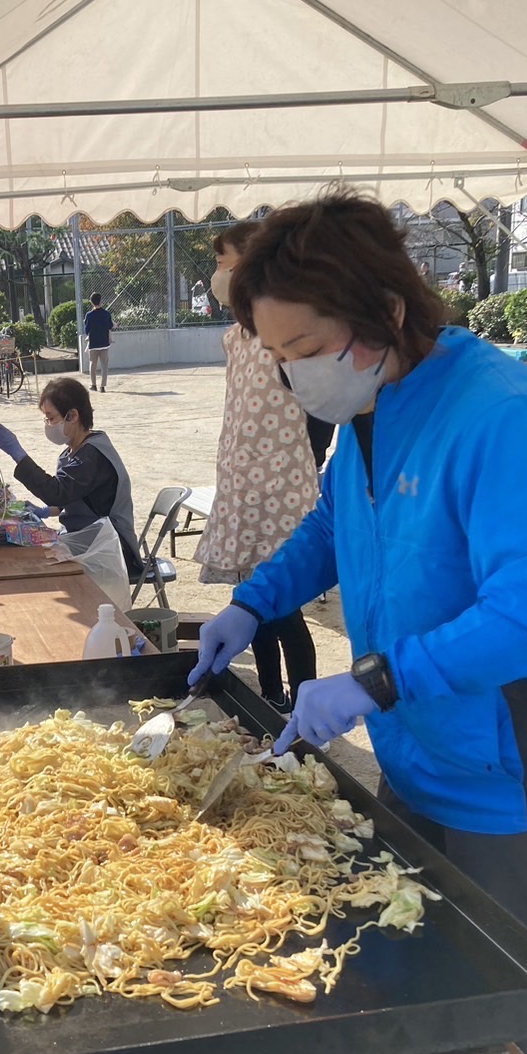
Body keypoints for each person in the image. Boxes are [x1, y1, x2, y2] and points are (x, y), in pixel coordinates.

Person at [191, 189, 527, 1054]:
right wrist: (253, 602)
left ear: (381, 311)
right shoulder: (372, 407)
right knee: (423, 983)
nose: (297, 379)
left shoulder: (505, 417)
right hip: (417, 764)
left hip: (513, 786)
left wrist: (376, 679)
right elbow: (338, 524)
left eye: (303, 352)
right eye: (281, 358)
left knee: (526, 1022)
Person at [197, 220, 319, 712]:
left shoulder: (292, 333)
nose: (218, 272)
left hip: (281, 490)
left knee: (283, 607)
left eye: (224, 261)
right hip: (242, 487)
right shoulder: (234, 338)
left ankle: (302, 697)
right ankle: (268, 697)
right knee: (253, 603)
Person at [0, 376, 142, 579]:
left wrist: (19, 454)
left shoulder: (92, 455)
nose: (48, 425)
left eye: (51, 418)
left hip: (110, 548)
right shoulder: (74, 451)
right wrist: (43, 511)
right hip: (89, 537)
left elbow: (58, 493)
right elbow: (73, 498)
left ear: (73, 416)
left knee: (38, 568)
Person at [84, 291, 114, 391]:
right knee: (104, 365)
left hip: (93, 344)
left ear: (91, 302)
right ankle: (102, 386)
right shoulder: (106, 314)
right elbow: (110, 326)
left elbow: (86, 330)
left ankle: (93, 385)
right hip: (104, 343)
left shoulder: (89, 315)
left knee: (93, 364)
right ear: (101, 301)